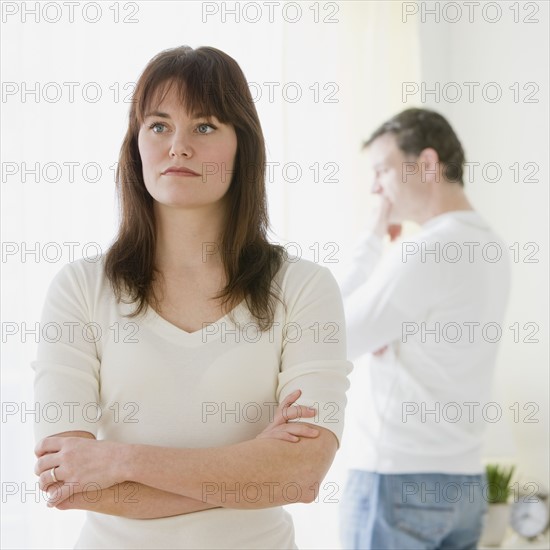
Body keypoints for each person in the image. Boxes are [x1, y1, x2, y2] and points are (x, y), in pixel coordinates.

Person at [32, 45, 352, 550]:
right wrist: (250, 473)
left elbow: (300, 474)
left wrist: (119, 461)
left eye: (204, 126)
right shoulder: (79, 288)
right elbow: (66, 481)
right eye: (158, 125)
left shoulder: (303, 287)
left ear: (241, 146)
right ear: (135, 143)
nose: (178, 146)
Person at [337, 108, 511, 549]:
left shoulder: (429, 250)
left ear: (428, 164)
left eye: (382, 171)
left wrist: (373, 238)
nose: (376, 188)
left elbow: (331, 337)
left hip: (398, 482)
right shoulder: (491, 247)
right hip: (463, 483)